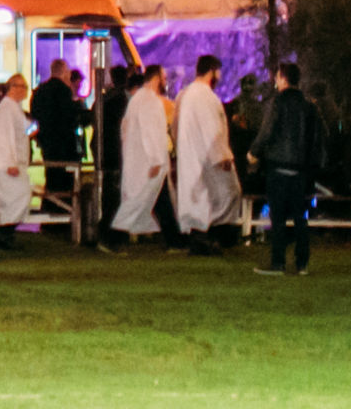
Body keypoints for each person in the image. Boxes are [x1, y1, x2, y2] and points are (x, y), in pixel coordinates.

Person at [251, 62, 324, 275]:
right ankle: (302, 263)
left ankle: (278, 262)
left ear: (283, 79)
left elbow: (267, 131)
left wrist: (253, 152)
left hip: (278, 167)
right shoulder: (309, 106)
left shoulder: (277, 103)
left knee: (279, 217)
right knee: (300, 217)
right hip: (301, 170)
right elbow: (316, 140)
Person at [173, 57, 241, 255]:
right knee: (228, 192)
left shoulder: (184, 94)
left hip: (189, 155)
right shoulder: (206, 97)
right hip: (207, 157)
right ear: (212, 71)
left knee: (197, 198)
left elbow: (175, 126)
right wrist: (223, 156)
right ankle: (214, 236)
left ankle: (200, 238)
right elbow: (213, 131)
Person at [109, 67, 170, 247]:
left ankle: (174, 239)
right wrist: (156, 159)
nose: (165, 81)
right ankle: (113, 238)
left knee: (155, 199)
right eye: (164, 77)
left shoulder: (138, 100)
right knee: (140, 200)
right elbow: (150, 131)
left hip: (139, 159)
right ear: (157, 78)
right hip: (148, 163)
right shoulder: (149, 101)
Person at [0, 65, 37, 241]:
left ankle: (5, 233)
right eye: (22, 87)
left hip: (12, 163)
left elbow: (24, 131)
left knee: (16, 198)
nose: (25, 91)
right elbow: (4, 137)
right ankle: (2, 233)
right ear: (13, 87)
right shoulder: (6, 109)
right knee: (18, 197)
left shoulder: (13, 108)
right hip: (7, 165)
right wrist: (10, 163)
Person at [31, 63, 89, 173]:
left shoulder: (39, 91)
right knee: (65, 178)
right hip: (65, 145)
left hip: (47, 143)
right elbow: (71, 116)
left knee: (51, 173)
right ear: (63, 72)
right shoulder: (64, 91)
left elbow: (35, 116)